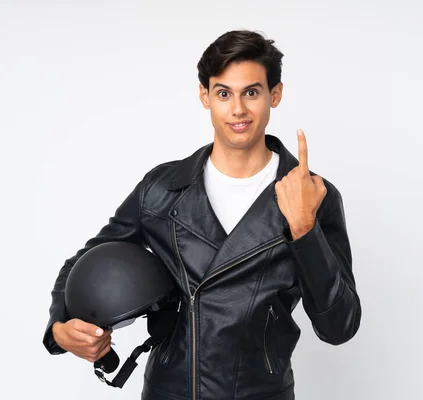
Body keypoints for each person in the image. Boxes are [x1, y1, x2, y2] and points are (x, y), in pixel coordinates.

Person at [43, 29, 362, 400]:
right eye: (224, 93)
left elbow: (339, 326)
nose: (238, 109)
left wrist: (304, 228)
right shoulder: (161, 189)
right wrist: (60, 326)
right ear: (204, 96)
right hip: (169, 391)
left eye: (252, 92)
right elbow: (83, 261)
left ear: (275, 95)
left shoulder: (313, 195)